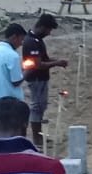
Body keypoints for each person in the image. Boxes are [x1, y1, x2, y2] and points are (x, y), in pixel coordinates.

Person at [22, 14, 69, 150]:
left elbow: (44, 59)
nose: (49, 33)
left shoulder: (37, 40)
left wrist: (56, 61)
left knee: (40, 106)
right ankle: (37, 138)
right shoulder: (32, 42)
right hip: (36, 78)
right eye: (49, 30)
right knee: (37, 107)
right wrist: (56, 63)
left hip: (40, 78)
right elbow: (38, 64)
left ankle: (39, 135)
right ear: (42, 27)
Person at [0, 22, 26, 103]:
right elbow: (16, 82)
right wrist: (29, 69)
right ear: (14, 37)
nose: (21, 44)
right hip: (10, 102)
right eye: (21, 40)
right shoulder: (12, 55)